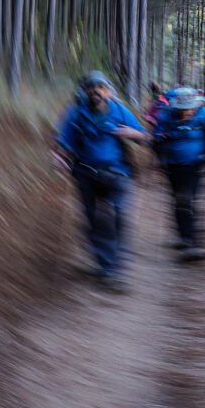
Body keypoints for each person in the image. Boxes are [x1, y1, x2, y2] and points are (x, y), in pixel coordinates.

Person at [55, 71, 149, 292]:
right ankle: (106, 267)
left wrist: (133, 134)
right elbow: (64, 139)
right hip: (85, 174)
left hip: (118, 174)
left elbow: (145, 137)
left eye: (101, 87)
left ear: (108, 91)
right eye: (91, 87)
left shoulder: (119, 110)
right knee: (94, 220)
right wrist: (59, 155)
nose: (96, 91)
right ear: (85, 91)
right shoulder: (76, 111)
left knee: (119, 217)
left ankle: (117, 267)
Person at [154, 87, 205, 260]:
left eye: (190, 108)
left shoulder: (204, 113)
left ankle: (191, 240)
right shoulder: (166, 115)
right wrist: (160, 147)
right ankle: (184, 237)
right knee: (179, 199)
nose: (187, 112)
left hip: (195, 165)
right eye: (184, 109)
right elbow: (156, 138)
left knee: (188, 199)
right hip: (173, 165)